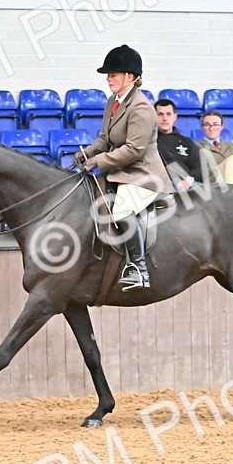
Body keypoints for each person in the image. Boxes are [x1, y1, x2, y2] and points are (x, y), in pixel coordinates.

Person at [72, 45, 172, 290]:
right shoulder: (113, 102)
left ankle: (138, 269)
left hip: (142, 174)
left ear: (130, 76)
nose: (108, 79)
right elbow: (104, 138)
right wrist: (87, 153)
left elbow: (134, 150)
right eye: (108, 75)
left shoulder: (141, 107)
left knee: (122, 209)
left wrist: (98, 161)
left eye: (113, 74)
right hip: (120, 171)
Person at [154, 99, 204, 191]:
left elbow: (199, 168)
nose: (165, 118)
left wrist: (188, 180)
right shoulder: (150, 142)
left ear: (175, 117)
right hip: (165, 186)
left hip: (191, 185)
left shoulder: (187, 141)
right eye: (160, 114)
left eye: (168, 114)